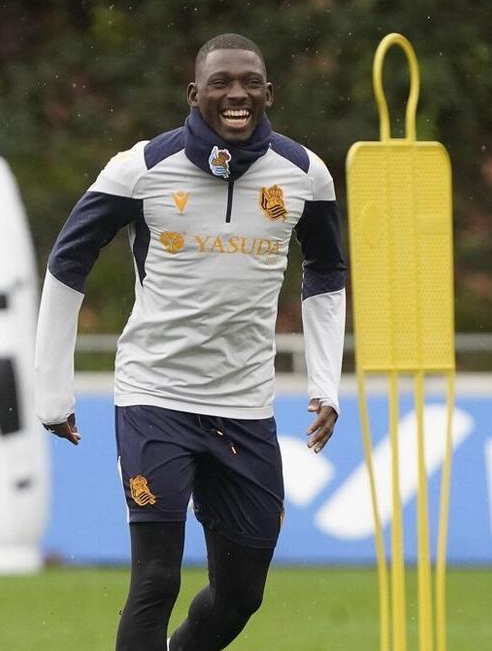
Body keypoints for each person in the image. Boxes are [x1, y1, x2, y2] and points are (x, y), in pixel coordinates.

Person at [35, 33, 346, 650]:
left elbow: (327, 270)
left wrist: (325, 380)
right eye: (221, 83)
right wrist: (52, 389)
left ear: (269, 93)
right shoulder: (140, 169)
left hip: (245, 406)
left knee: (241, 594)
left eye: (250, 83)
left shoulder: (305, 174)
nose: (237, 95)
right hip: (155, 397)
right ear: (193, 94)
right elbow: (68, 261)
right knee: (156, 578)